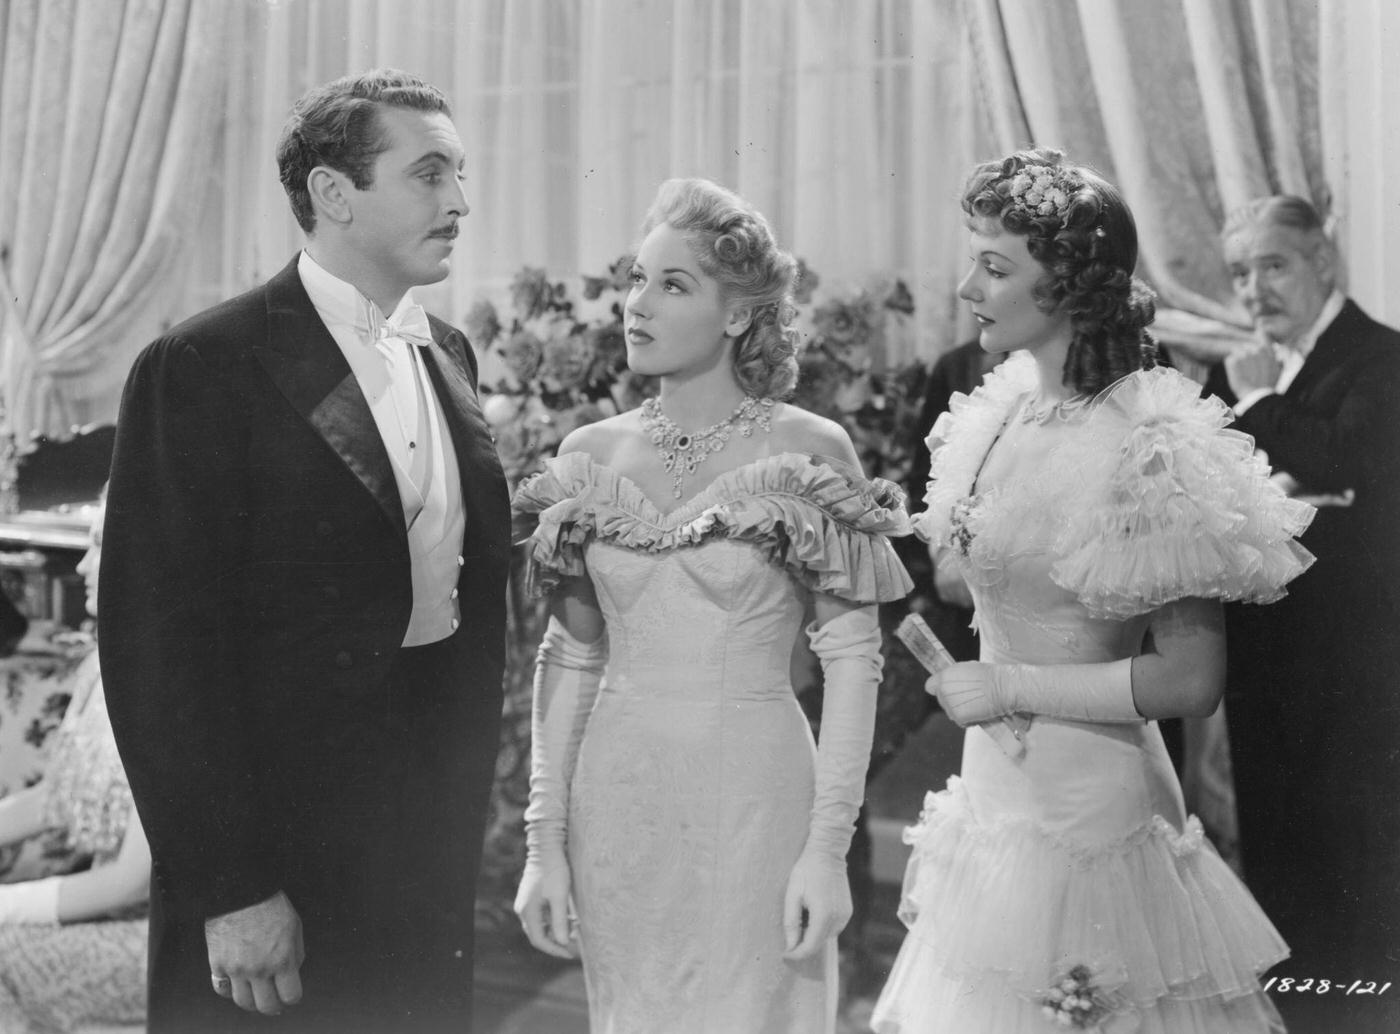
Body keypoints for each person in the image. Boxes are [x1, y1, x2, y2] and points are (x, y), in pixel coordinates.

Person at [99, 69, 510, 1033]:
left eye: (460, 173)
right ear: (333, 194)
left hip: (419, 846)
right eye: (429, 173)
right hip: (273, 850)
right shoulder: (201, 366)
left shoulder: (448, 351)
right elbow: (155, 652)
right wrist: (231, 889)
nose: (459, 201)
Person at [871, 148, 1315, 1033]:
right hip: (993, 806)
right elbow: (980, 579)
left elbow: (1190, 683)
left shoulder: (1149, 442)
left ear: (1070, 285)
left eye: (995, 267)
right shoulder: (999, 412)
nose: (967, 288)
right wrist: (893, 534)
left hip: (1092, 824)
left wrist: (1007, 686)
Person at [511, 177, 912, 1033]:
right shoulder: (591, 454)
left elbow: (853, 665)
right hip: (617, 803)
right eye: (635, 281)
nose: (637, 305)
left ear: (737, 316)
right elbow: (570, 657)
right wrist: (544, 846)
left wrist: (827, 853)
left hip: (755, 802)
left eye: (672, 284)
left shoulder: (807, 449)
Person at [1204, 195, 1400, 1032]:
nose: (1253, 289)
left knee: (1352, 869)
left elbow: (1348, 462)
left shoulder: (1379, 357)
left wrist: (1258, 407)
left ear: (1324, 262)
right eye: (1240, 273)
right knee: (1277, 862)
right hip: (1261, 661)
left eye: (1272, 264)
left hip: (1351, 670)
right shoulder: (1240, 371)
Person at [0, 496, 149, 1033]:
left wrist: (4, 906)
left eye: (99, 545)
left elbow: (130, 883)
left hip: (164, 943)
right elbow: (54, 797)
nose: (82, 566)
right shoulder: (99, 662)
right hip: (101, 912)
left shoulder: (183, 690)